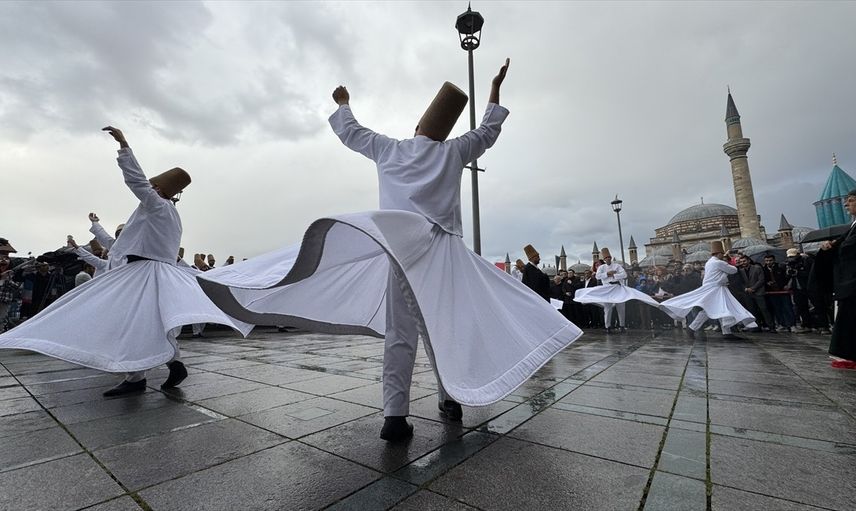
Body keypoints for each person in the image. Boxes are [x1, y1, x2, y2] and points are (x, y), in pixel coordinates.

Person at [197, 59, 582, 441]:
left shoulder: (391, 150)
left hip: (402, 249)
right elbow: (488, 131)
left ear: (417, 126)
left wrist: (343, 103)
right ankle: (451, 399)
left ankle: (394, 416)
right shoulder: (453, 152)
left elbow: (352, 133)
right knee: (444, 330)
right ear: (444, 132)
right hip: (444, 256)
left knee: (401, 334)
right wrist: (495, 88)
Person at [0, 127, 251, 395]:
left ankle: (142, 375)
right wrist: (95, 227)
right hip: (153, 271)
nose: (150, 188)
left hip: (144, 271)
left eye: (153, 186)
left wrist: (123, 146)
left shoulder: (157, 205)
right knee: (148, 321)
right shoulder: (170, 214)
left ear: (159, 189)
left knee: (129, 320)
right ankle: (161, 368)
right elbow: (116, 244)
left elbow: (136, 181)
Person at [661, 241, 756, 339]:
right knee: (719, 308)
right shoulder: (718, 262)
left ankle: (722, 331)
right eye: (722, 254)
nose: (722, 255)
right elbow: (733, 270)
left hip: (714, 289)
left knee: (718, 309)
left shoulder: (709, 262)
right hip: (716, 290)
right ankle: (699, 329)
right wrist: (729, 260)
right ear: (719, 253)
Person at [575, 248, 673, 333]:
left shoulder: (617, 266)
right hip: (607, 288)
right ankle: (608, 326)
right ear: (604, 259)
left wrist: (614, 275)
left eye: (609, 257)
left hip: (617, 287)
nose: (608, 259)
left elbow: (624, 274)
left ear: (610, 258)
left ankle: (622, 325)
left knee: (621, 307)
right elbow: (598, 276)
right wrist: (608, 273)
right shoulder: (602, 267)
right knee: (608, 308)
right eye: (606, 258)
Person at [816, 189, 856, 369]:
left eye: (851, 200)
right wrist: (830, 246)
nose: (846, 204)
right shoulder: (852, 226)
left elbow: (848, 249)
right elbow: (841, 244)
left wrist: (833, 248)